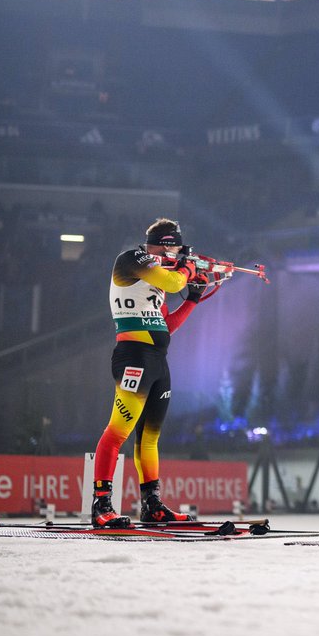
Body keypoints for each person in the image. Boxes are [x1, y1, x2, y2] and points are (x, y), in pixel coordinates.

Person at [90, 218, 216, 527]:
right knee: (117, 431)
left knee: (149, 440)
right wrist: (188, 269)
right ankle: (101, 504)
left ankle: (152, 505)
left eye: (176, 247)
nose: (172, 252)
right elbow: (174, 282)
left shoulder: (160, 280)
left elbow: (166, 326)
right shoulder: (132, 259)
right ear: (157, 244)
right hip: (133, 356)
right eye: (169, 246)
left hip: (158, 360)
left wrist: (194, 299)